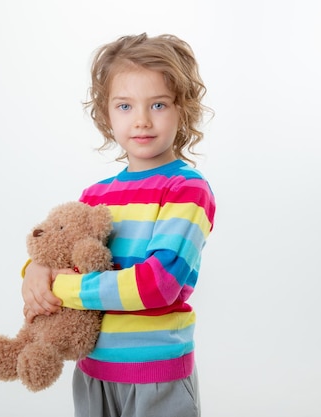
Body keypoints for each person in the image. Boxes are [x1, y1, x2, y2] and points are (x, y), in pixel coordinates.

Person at [21, 33, 216, 417]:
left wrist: (57, 286)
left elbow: (158, 285)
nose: (141, 120)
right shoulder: (94, 195)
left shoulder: (184, 188)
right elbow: (60, 252)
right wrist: (35, 271)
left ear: (183, 109)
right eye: (125, 106)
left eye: (158, 104)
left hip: (156, 375)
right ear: (106, 114)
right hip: (93, 372)